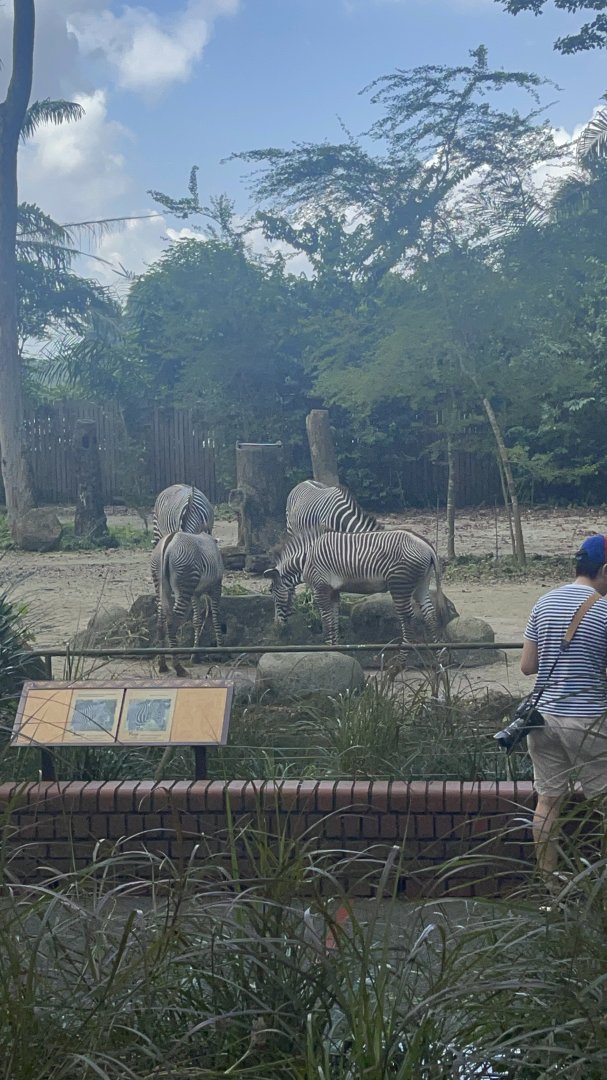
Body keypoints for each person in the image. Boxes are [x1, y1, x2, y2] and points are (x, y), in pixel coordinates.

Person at [520, 534, 607, 884]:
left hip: (543, 720)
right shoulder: (603, 608)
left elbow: (527, 665)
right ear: (604, 570)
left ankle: (548, 889)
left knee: (548, 802)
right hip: (586, 721)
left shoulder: (544, 602)